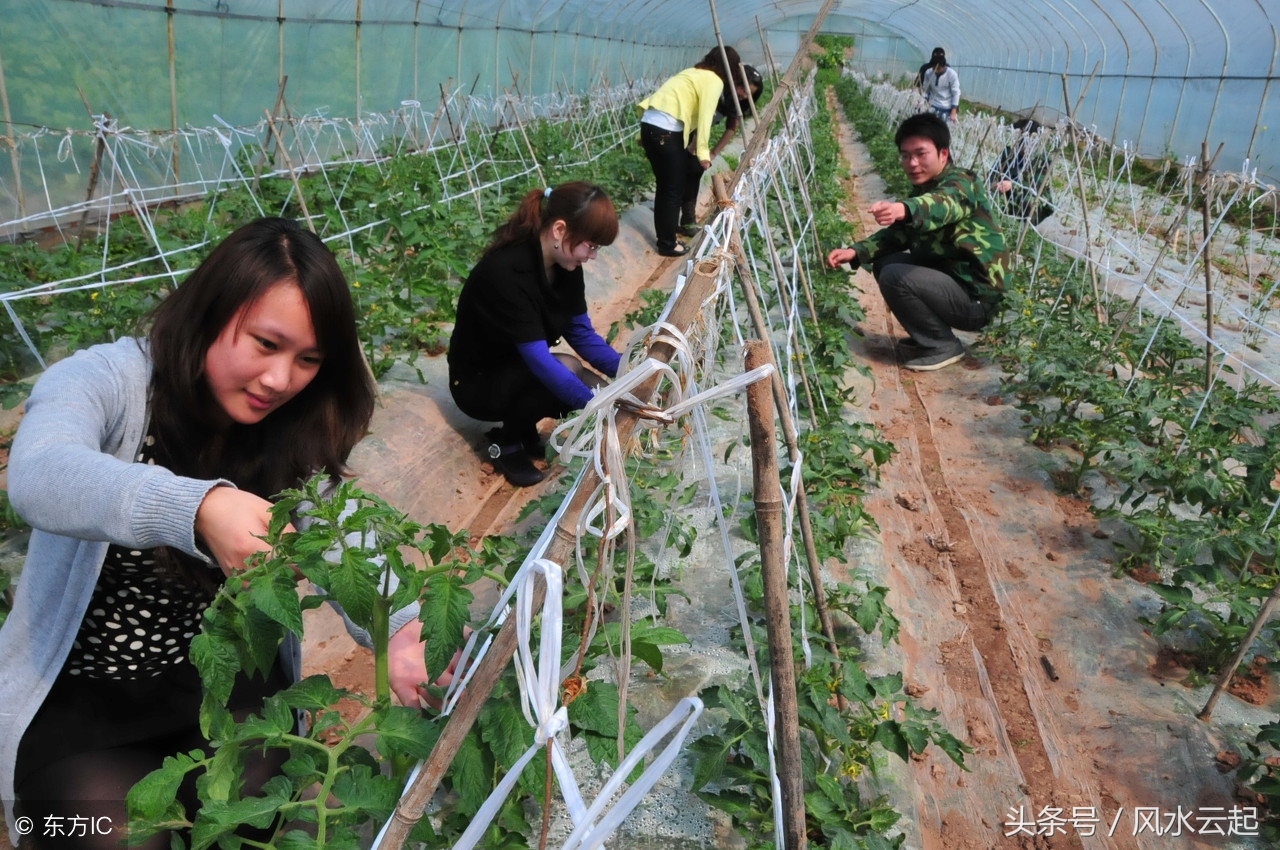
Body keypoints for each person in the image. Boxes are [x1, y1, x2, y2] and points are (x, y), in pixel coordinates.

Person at [0, 217, 445, 849]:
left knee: (258, 821)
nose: (279, 380)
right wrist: (197, 507)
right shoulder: (110, 381)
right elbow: (40, 472)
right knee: (94, 833)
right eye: (265, 343)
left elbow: (342, 540)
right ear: (211, 313)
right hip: (86, 707)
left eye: (308, 360)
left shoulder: (291, 429)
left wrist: (397, 627)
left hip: (225, 694)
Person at [448, 182, 622, 487]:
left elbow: (583, 335)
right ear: (559, 230)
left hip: (514, 368)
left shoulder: (565, 266)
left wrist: (631, 372)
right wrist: (598, 409)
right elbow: (539, 361)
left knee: (578, 374)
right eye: (590, 246)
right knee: (567, 369)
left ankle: (523, 424)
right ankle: (506, 442)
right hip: (477, 383)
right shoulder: (507, 272)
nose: (592, 256)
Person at [826, 112, 1009, 372]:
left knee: (895, 275)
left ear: (943, 154)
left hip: (977, 299)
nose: (912, 163)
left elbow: (944, 205)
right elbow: (896, 236)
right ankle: (929, 334)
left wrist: (904, 208)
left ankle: (941, 345)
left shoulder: (962, 184)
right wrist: (854, 252)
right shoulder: (925, 189)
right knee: (887, 262)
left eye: (921, 154)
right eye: (905, 155)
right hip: (953, 284)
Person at [637, 46, 749, 256]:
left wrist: (644, 137)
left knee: (666, 186)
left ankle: (668, 236)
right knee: (672, 188)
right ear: (731, 69)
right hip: (666, 131)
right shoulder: (714, 80)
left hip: (651, 126)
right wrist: (704, 154)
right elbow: (706, 117)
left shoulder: (693, 72)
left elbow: (675, 105)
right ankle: (667, 244)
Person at [988, 118, 1054, 225]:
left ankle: (1021, 223)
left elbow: (1034, 189)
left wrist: (1012, 186)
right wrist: (994, 184)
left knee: (1028, 203)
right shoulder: (1009, 152)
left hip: (1032, 205)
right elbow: (991, 175)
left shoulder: (1043, 161)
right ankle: (1000, 214)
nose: (1017, 142)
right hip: (1009, 199)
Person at [922, 56, 961, 123]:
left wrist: (953, 112)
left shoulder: (952, 75)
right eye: (934, 68)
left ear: (944, 66)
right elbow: (926, 89)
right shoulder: (928, 73)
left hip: (946, 108)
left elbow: (956, 93)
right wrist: (923, 101)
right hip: (932, 105)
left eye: (938, 68)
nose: (936, 71)